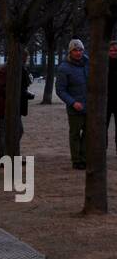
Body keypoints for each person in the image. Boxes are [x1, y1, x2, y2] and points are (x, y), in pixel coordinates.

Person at [0, 52, 34, 159]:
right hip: (4, 106)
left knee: (15, 130)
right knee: (6, 131)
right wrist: (23, 94)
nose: (26, 60)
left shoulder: (16, 68)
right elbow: (4, 89)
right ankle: (5, 156)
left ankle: (10, 153)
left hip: (11, 106)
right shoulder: (5, 70)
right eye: (25, 58)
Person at [55, 39, 89, 170]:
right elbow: (60, 90)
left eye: (80, 49)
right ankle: (76, 160)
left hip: (89, 106)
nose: (78, 52)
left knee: (88, 133)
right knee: (75, 134)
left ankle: (85, 158)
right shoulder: (64, 68)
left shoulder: (88, 63)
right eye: (75, 50)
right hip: (75, 108)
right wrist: (73, 102)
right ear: (70, 51)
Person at [108, 39, 117, 153]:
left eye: (116, 50)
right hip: (106, 100)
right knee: (102, 128)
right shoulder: (103, 64)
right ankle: (102, 150)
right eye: (111, 50)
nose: (114, 52)